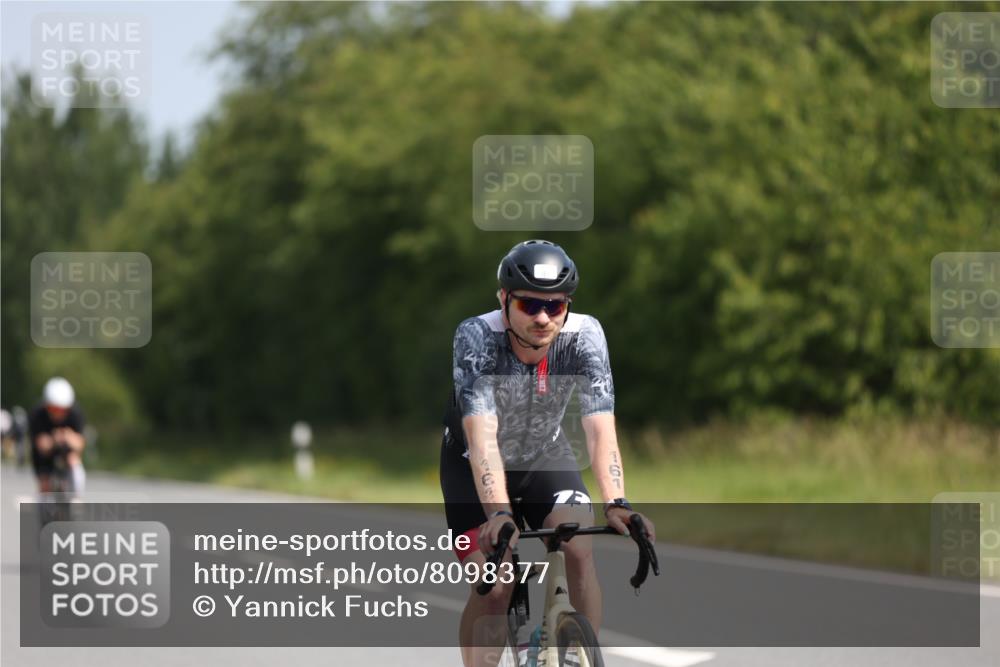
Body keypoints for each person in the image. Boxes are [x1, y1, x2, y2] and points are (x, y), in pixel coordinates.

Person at [440, 240, 656, 667]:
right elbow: (482, 438)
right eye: (529, 305)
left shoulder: (586, 335)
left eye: (555, 307)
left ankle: (579, 653)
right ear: (504, 299)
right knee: (496, 583)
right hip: (471, 465)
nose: (542, 317)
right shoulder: (477, 336)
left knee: (577, 543)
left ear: (567, 306)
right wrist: (499, 512)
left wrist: (616, 500)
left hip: (543, 456)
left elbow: (599, 428)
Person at [28, 377, 87, 495]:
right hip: (43, 455)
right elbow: (41, 446)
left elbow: (80, 444)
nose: (58, 414)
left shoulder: (76, 414)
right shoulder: (37, 415)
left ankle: (76, 496)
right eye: (54, 409)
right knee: (44, 485)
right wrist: (54, 440)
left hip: (67, 451)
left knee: (74, 463)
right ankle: (43, 509)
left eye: (62, 410)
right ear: (46, 406)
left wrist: (68, 438)